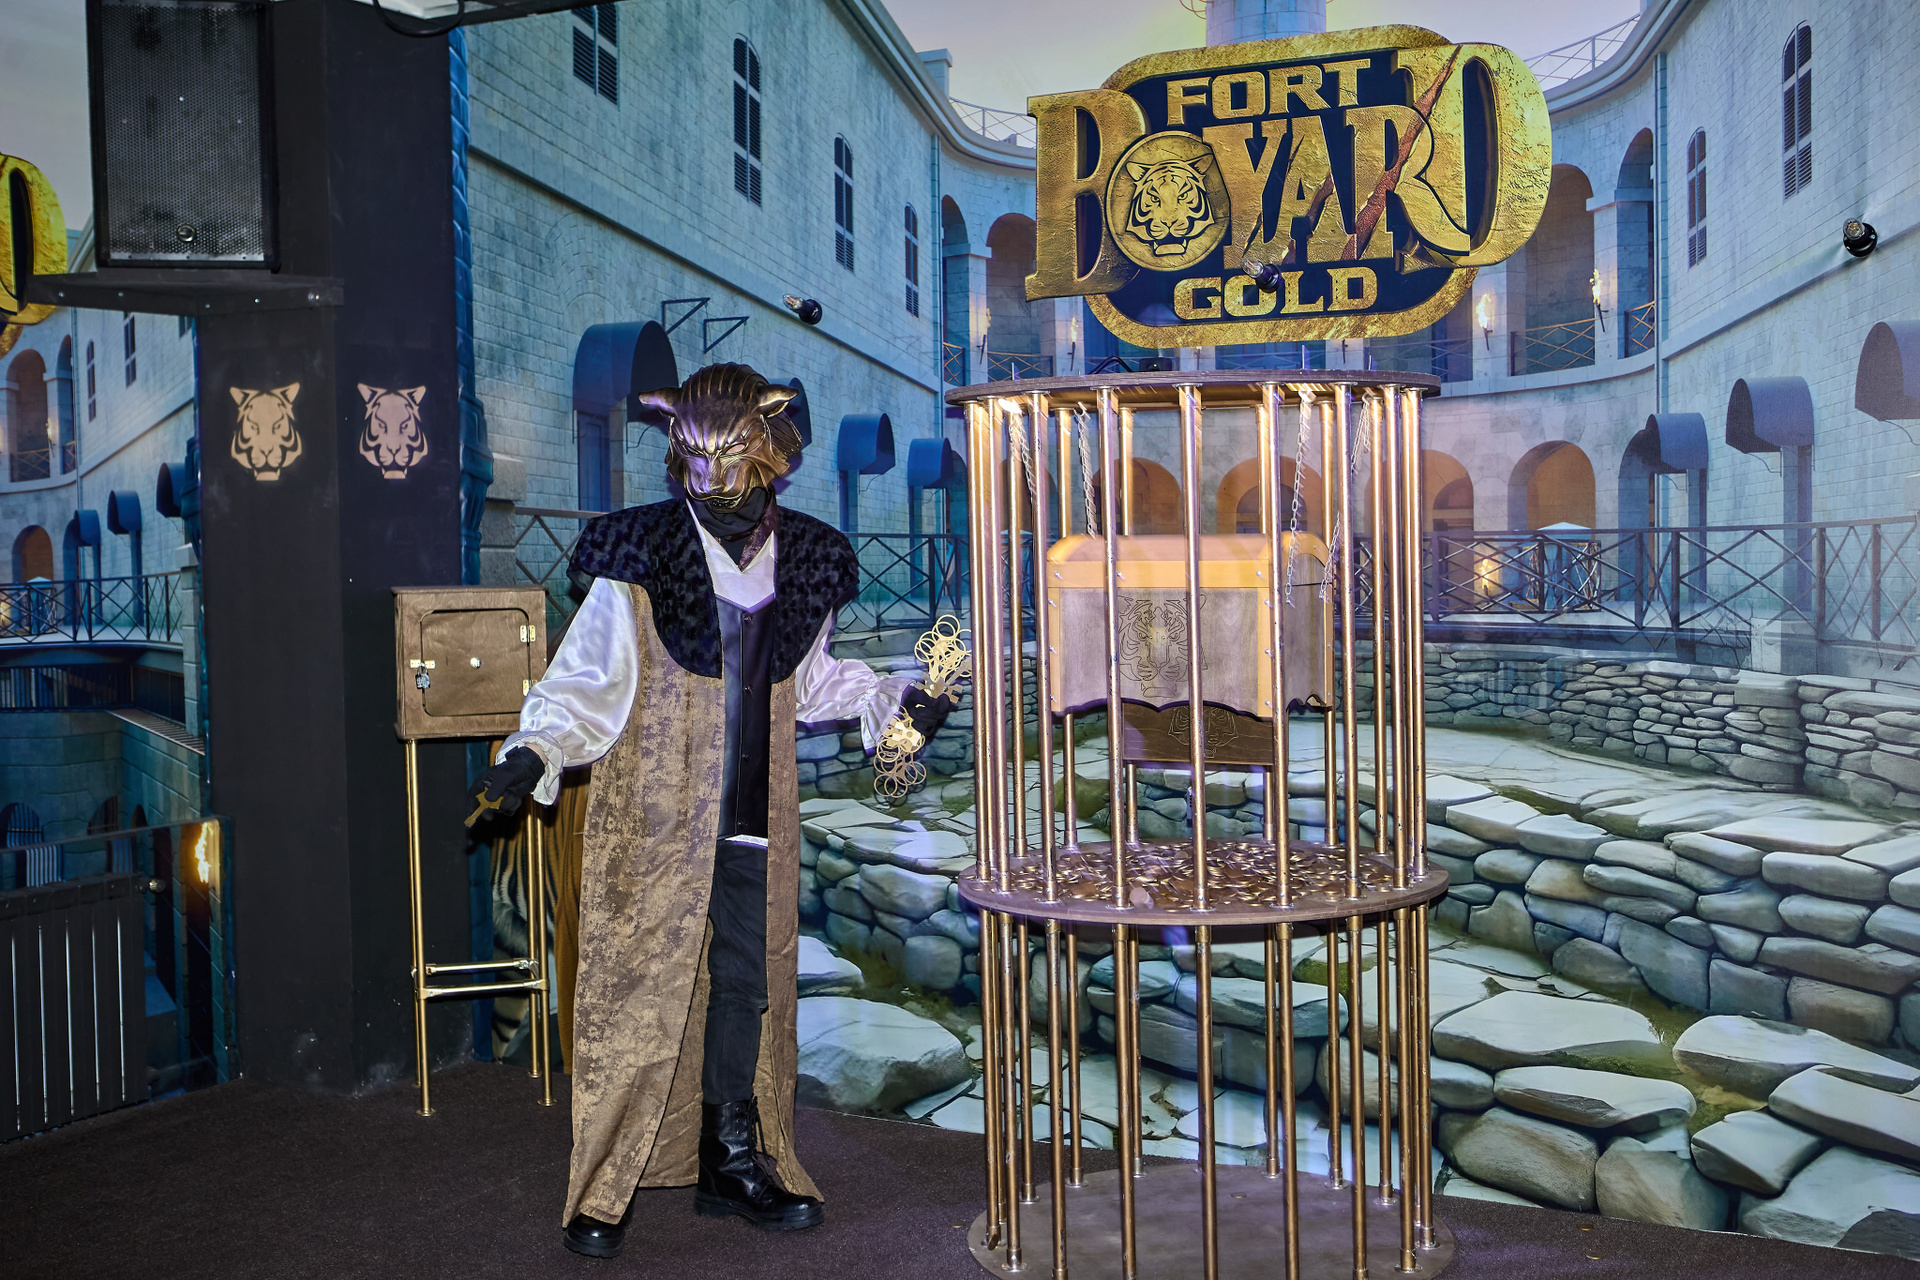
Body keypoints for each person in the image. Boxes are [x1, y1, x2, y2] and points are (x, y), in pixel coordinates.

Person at [468, 364, 949, 1259]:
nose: (711, 482)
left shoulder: (805, 556)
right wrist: (533, 751)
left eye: (727, 462)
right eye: (694, 461)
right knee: (636, 985)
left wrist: (896, 700)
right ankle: (606, 1179)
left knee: (744, 986)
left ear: (766, 454)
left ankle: (730, 1156)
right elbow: (587, 678)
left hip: (756, 816)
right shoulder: (639, 551)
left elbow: (813, 682)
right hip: (655, 819)